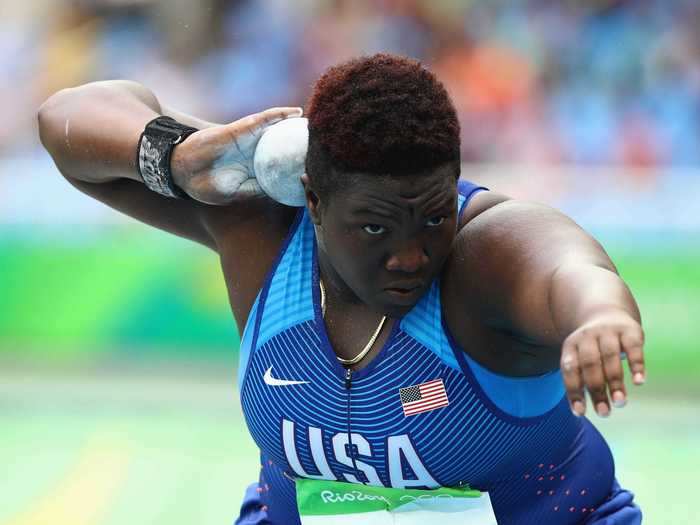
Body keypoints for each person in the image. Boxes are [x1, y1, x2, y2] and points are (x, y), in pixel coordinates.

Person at [38, 53, 644, 524]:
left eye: (433, 217)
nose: (410, 256)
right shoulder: (258, 227)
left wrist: (598, 316)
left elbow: (571, 267)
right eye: (375, 227)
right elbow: (69, 117)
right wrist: (173, 155)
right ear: (313, 199)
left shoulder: (487, 251)